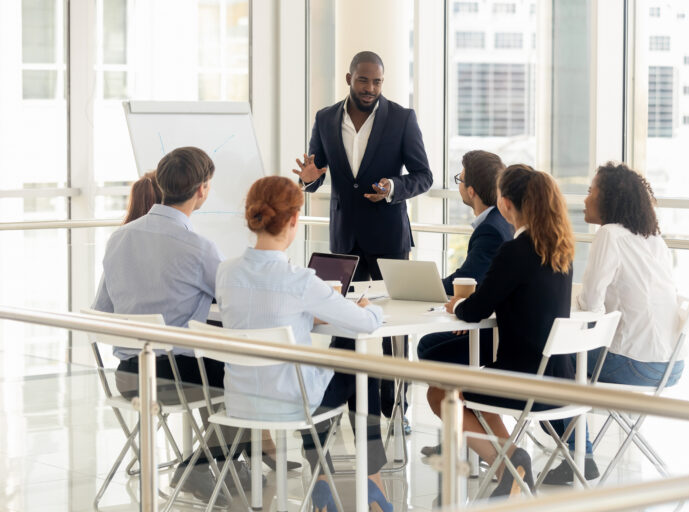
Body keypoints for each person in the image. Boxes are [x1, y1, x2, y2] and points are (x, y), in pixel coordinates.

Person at [215, 176, 392, 512]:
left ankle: (323, 479)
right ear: (294, 220)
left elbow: (257, 317)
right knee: (358, 360)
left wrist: (307, 317)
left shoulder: (226, 272)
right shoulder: (300, 281)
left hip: (240, 399)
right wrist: (369, 307)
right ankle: (371, 480)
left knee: (324, 373)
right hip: (290, 402)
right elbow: (367, 324)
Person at [92, 147, 246, 505]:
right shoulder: (199, 247)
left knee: (218, 367)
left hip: (128, 377)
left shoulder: (120, 238)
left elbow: (102, 309)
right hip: (176, 378)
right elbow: (235, 304)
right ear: (202, 190)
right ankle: (198, 466)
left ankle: (221, 464)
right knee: (250, 384)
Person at [292, 50, 433, 419]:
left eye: (377, 81)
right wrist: (308, 180)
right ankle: (338, 402)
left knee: (394, 329)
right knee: (337, 320)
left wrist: (393, 188)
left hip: (389, 237)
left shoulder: (402, 118)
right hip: (343, 239)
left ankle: (395, 408)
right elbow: (315, 170)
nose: (370, 88)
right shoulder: (325, 119)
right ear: (349, 78)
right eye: (363, 80)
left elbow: (423, 176)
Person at [426, 164, 575, 499]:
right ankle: (512, 463)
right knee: (475, 379)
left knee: (439, 391)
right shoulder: (561, 250)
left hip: (524, 381)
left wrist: (457, 306)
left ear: (505, 204)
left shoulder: (516, 251)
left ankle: (507, 464)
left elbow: (477, 309)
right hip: (562, 381)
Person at [542, 162, 681, 485]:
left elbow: (591, 305)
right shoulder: (654, 239)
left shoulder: (609, 235)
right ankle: (578, 452)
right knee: (561, 360)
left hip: (634, 364)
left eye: (591, 191)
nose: (584, 199)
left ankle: (581, 454)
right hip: (670, 365)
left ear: (610, 199)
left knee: (551, 359)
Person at [417, 151, 511, 456]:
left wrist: (428, 288)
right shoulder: (500, 221)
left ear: (470, 190)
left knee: (430, 350)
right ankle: (463, 436)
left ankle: (467, 436)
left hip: (494, 334)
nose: (458, 185)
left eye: (460, 179)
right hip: (496, 323)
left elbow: (469, 278)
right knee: (432, 348)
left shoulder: (491, 228)